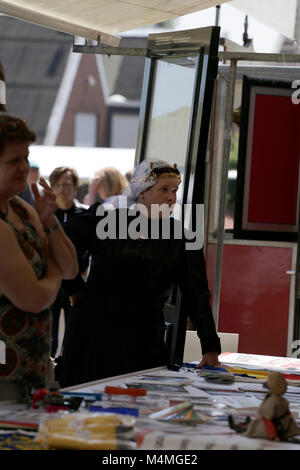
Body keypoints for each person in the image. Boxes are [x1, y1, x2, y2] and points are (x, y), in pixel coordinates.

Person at [59, 159, 221, 387]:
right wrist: (74, 288)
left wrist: (210, 347)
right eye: (164, 189)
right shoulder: (106, 220)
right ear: (141, 193)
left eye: (174, 190)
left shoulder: (182, 238)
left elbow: (197, 294)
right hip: (93, 335)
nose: (171, 197)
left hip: (143, 340)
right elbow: (61, 242)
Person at [0, 115, 78, 402]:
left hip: (34, 371)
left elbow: (71, 269)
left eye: (26, 158)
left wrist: (50, 222)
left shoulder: (21, 209)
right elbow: (33, 299)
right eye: (13, 161)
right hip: (5, 379)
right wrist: (52, 274)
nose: (24, 168)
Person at [48, 166, 88, 357]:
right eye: (57, 184)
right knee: (50, 336)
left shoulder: (85, 214)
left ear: (75, 186)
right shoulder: (46, 214)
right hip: (52, 282)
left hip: (77, 281)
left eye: (67, 184)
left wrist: (85, 270)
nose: (62, 188)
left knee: (75, 333)